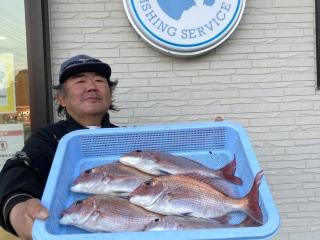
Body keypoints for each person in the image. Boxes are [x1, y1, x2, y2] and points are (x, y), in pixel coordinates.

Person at [0, 54, 118, 240]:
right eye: (80, 81)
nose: (91, 87)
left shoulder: (127, 138)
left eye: (99, 80)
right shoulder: (48, 138)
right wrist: (19, 207)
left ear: (109, 96)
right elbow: (21, 168)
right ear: (62, 99)